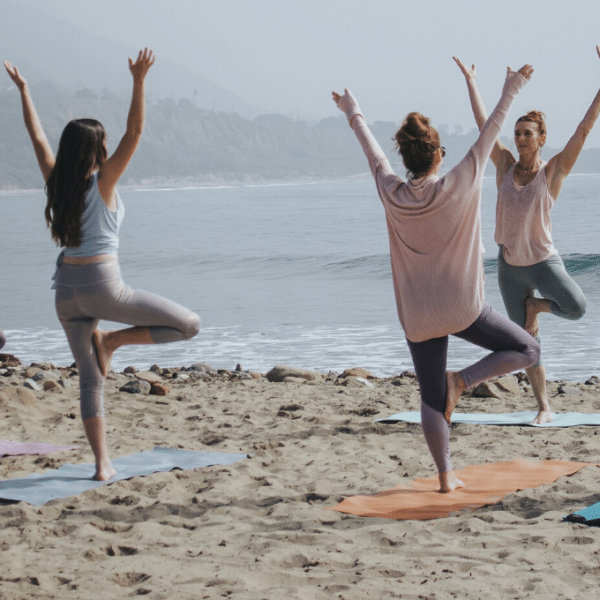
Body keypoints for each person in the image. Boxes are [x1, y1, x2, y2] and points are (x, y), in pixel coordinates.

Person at [332, 63, 540, 493]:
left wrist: (353, 111)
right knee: (527, 349)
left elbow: (372, 151)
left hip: (418, 316)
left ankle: (445, 479)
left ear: (406, 160)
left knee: (430, 398)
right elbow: (493, 129)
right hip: (462, 307)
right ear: (439, 154)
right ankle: (462, 381)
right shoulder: (459, 182)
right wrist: (512, 86)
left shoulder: (390, 190)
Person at [4, 49, 200, 481]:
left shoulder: (57, 182)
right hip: (103, 287)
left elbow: (36, 138)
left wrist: (24, 90)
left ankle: (102, 465)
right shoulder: (104, 180)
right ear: (98, 148)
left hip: (64, 295)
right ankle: (112, 341)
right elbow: (136, 132)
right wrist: (139, 80)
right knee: (189, 325)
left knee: (90, 382)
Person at [455, 47, 600, 425]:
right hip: (509, 268)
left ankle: (538, 307)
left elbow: (584, 130)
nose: (519, 138)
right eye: (517, 133)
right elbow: (484, 124)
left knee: (578, 307)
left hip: (543, 265)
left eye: (527, 134)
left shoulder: (551, 173)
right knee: (527, 344)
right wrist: (472, 82)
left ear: (541, 139)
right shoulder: (503, 165)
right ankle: (544, 407)